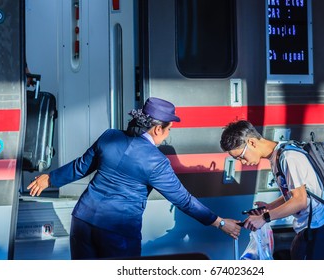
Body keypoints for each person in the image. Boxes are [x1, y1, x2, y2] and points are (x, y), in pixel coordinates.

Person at [27, 97, 241, 260]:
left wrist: (50, 179)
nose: (167, 135)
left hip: (83, 220)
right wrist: (220, 222)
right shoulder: (156, 161)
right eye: (168, 130)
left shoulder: (110, 136)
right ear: (158, 129)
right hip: (117, 231)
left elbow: (81, 166)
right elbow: (183, 200)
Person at [219, 120, 324, 260]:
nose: (242, 162)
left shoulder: (288, 157)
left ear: (252, 143)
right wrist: (269, 207)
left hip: (318, 226)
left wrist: (264, 218)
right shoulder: (277, 156)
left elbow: (300, 201)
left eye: (240, 156)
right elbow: (296, 193)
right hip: (310, 227)